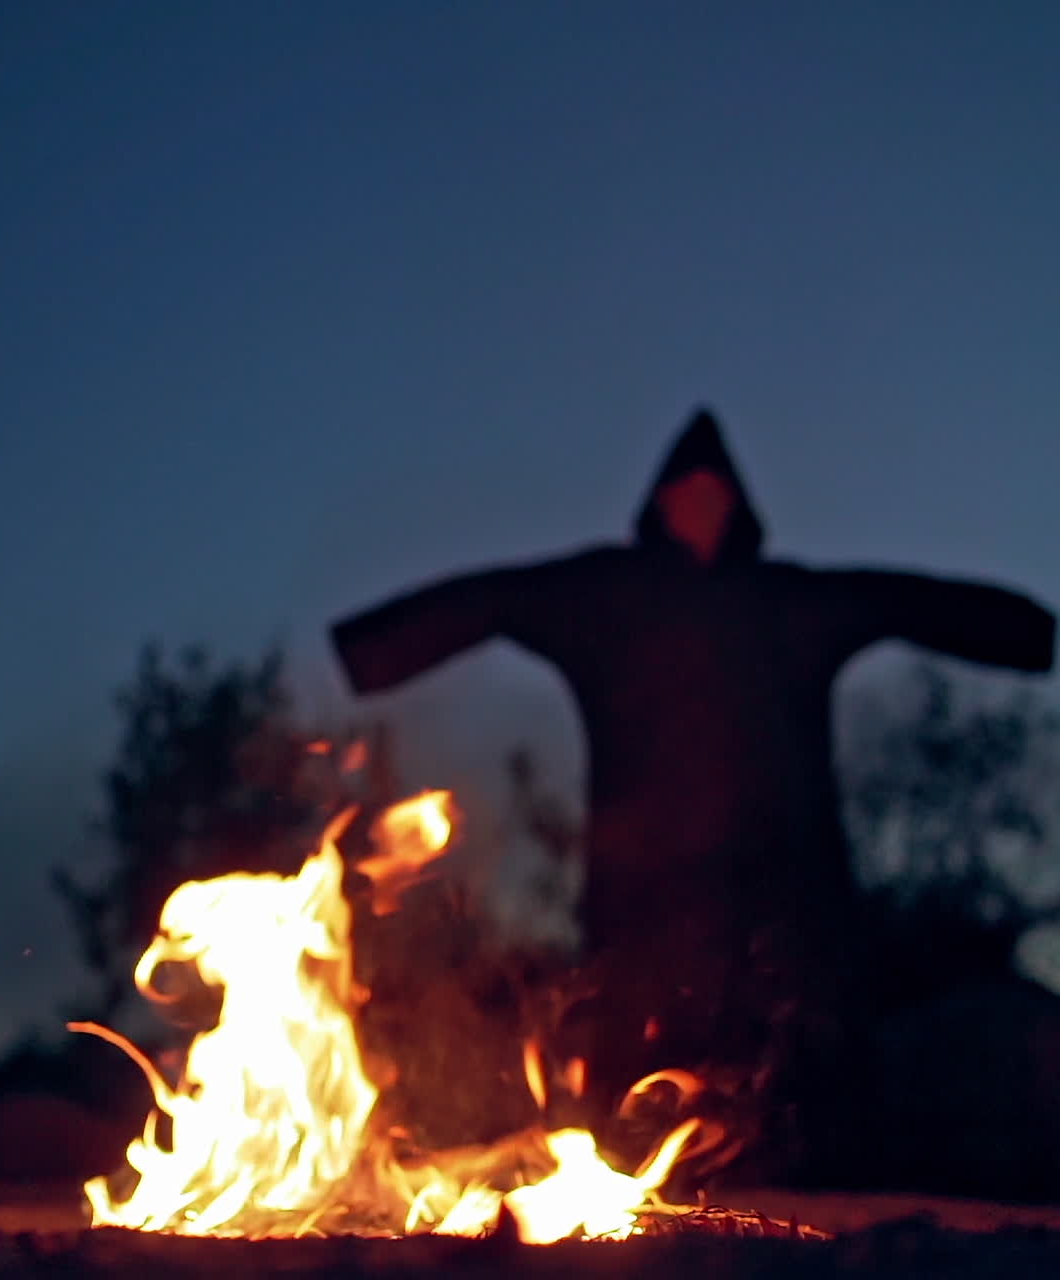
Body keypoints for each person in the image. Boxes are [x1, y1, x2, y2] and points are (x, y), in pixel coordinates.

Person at [329, 409, 1055, 1177]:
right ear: (660, 504)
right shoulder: (605, 595)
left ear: (740, 507)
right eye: (688, 494)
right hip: (644, 903)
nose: (702, 509)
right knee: (642, 1101)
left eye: (716, 495)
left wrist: (1033, 634)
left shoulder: (787, 603)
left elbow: (903, 601)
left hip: (790, 901)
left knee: (806, 1095)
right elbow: (496, 600)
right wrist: (368, 652)